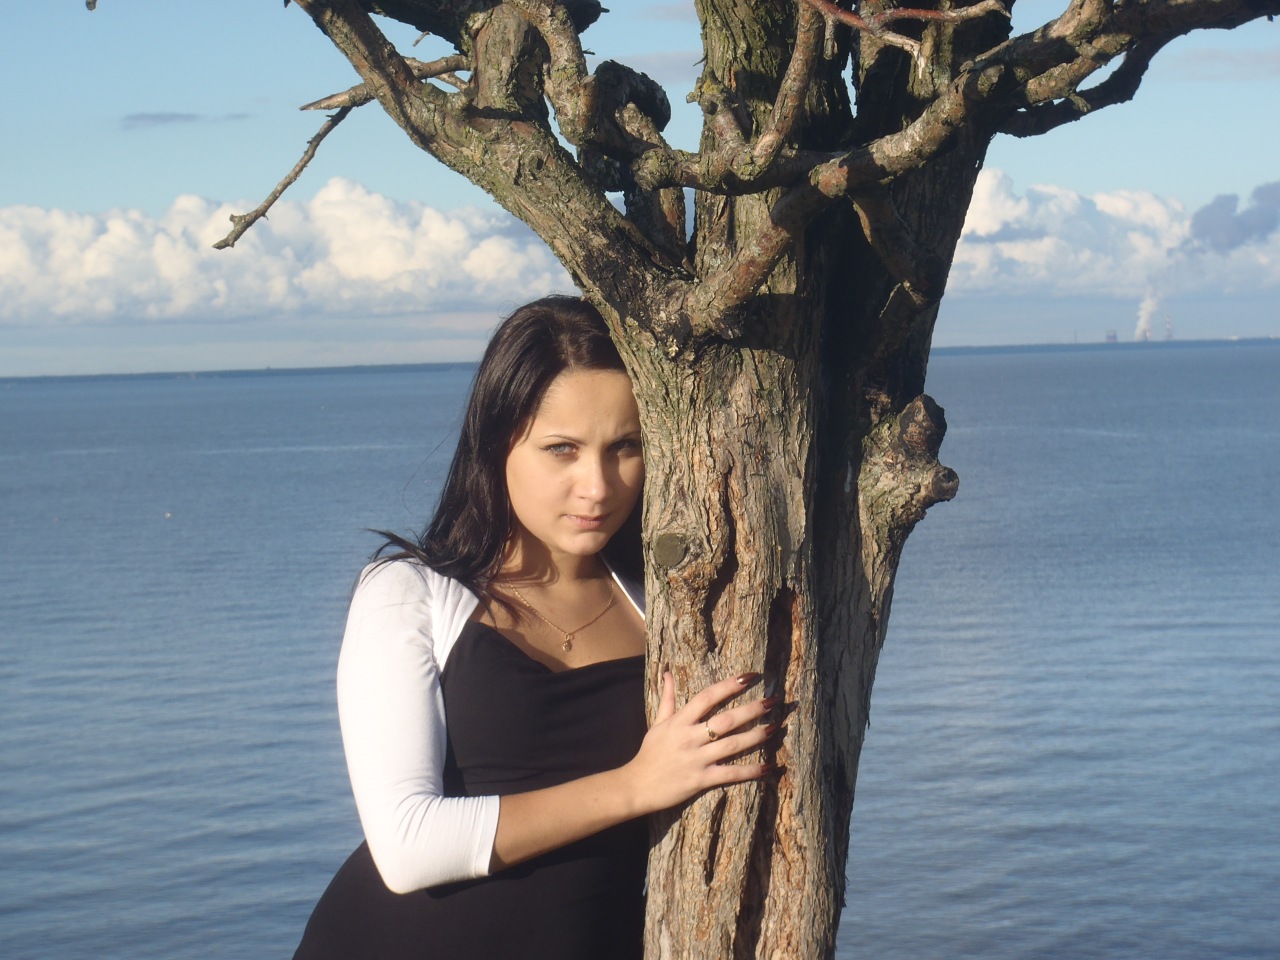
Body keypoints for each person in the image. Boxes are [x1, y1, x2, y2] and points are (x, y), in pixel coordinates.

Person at [292, 296, 778, 960]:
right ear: (497, 444)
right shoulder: (411, 593)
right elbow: (406, 847)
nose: (597, 486)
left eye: (624, 447)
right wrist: (636, 784)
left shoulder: (672, 608)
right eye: (562, 450)